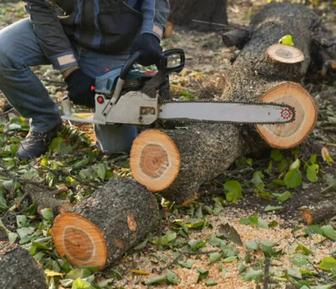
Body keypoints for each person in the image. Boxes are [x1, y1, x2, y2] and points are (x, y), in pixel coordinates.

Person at [0, 0, 170, 159]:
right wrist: (71, 71)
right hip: (66, 30)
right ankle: (44, 121)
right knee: (3, 51)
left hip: (112, 47)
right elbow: (40, 8)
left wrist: (151, 34)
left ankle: (141, 115)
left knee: (117, 148)